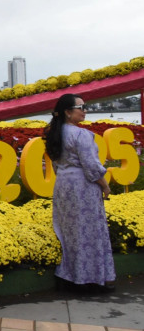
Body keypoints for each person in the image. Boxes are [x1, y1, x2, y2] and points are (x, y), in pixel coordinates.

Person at [44, 94, 115, 291]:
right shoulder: (81, 135)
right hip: (83, 187)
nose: (85, 110)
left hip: (64, 186)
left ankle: (69, 276)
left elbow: (56, 164)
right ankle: (89, 280)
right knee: (90, 232)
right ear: (68, 112)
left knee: (69, 233)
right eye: (81, 107)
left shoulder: (54, 133)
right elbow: (91, 167)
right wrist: (105, 185)